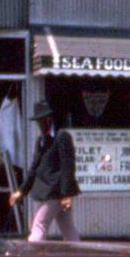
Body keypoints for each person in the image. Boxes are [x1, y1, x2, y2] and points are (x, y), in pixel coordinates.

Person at [11, 100, 81, 242]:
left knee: (39, 224)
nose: (40, 123)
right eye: (38, 120)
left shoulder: (62, 137)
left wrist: (66, 194)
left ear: (49, 119)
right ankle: (79, 256)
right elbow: (34, 167)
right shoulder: (41, 141)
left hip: (56, 192)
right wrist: (22, 191)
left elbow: (68, 166)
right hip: (54, 192)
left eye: (42, 119)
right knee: (68, 228)